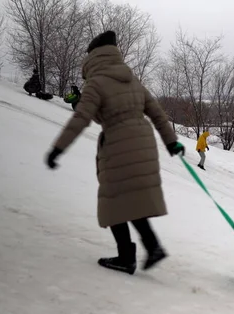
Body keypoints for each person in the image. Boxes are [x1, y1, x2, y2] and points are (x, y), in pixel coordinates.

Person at [44, 30, 185, 275]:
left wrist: (58, 148)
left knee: (113, 201)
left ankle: (126, 257)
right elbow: (157, 113)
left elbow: (82, 118)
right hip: (143, 142)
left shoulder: (96, 82)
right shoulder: (131, 79)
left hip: (119, 144)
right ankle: (152, 247)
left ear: (92, 57)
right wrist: (171, 142)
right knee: (131, 199)